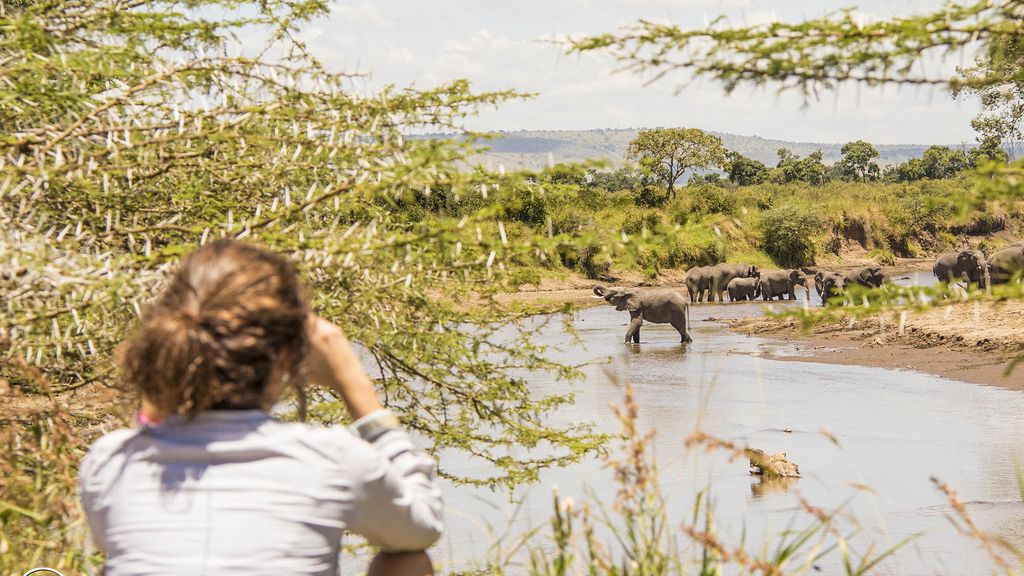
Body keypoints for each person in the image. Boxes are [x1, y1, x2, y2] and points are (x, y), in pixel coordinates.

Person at [78, 239, 442, 575]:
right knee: (408, 560)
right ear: (288, 353)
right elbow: (422, 526)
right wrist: (355, 387)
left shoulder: (111, 461)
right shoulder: (330, 456)